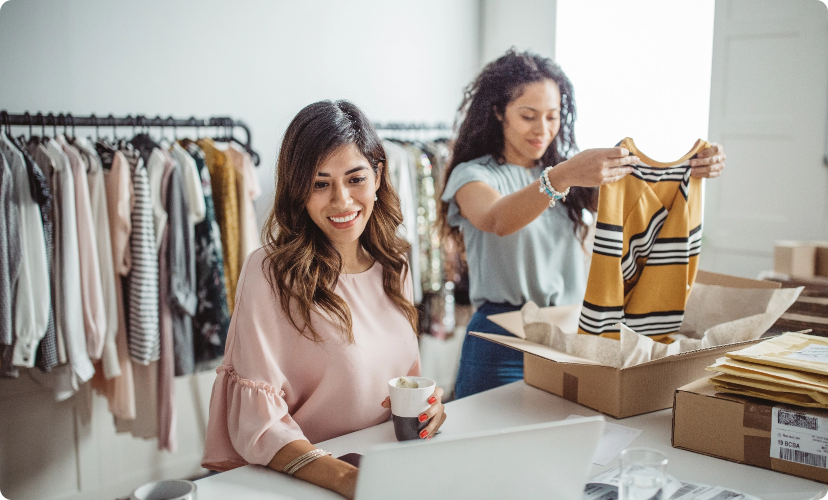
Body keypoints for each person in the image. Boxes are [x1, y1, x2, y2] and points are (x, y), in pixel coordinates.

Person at [439, 49, 726, 399]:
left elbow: (641, 201)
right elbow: (497, 219)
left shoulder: (570, 176)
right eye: (528, 116)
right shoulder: (474, 175)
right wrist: (562, 177)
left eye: (552, 116)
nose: (542, 130)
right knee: (486, 446)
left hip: (569, 336)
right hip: (502, 341)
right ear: (498, 112)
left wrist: (692, 168)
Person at [202, 100, 447, 499]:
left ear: (378, 175)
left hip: (391, 471)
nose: (342, 201)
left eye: (355, 179)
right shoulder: (270, 274)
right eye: (320, 183)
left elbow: (403, 382)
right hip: (311, 484)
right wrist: (350, 481)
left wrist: (429, 409)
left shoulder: (394, 263)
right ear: (298, 190)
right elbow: (259, 424)